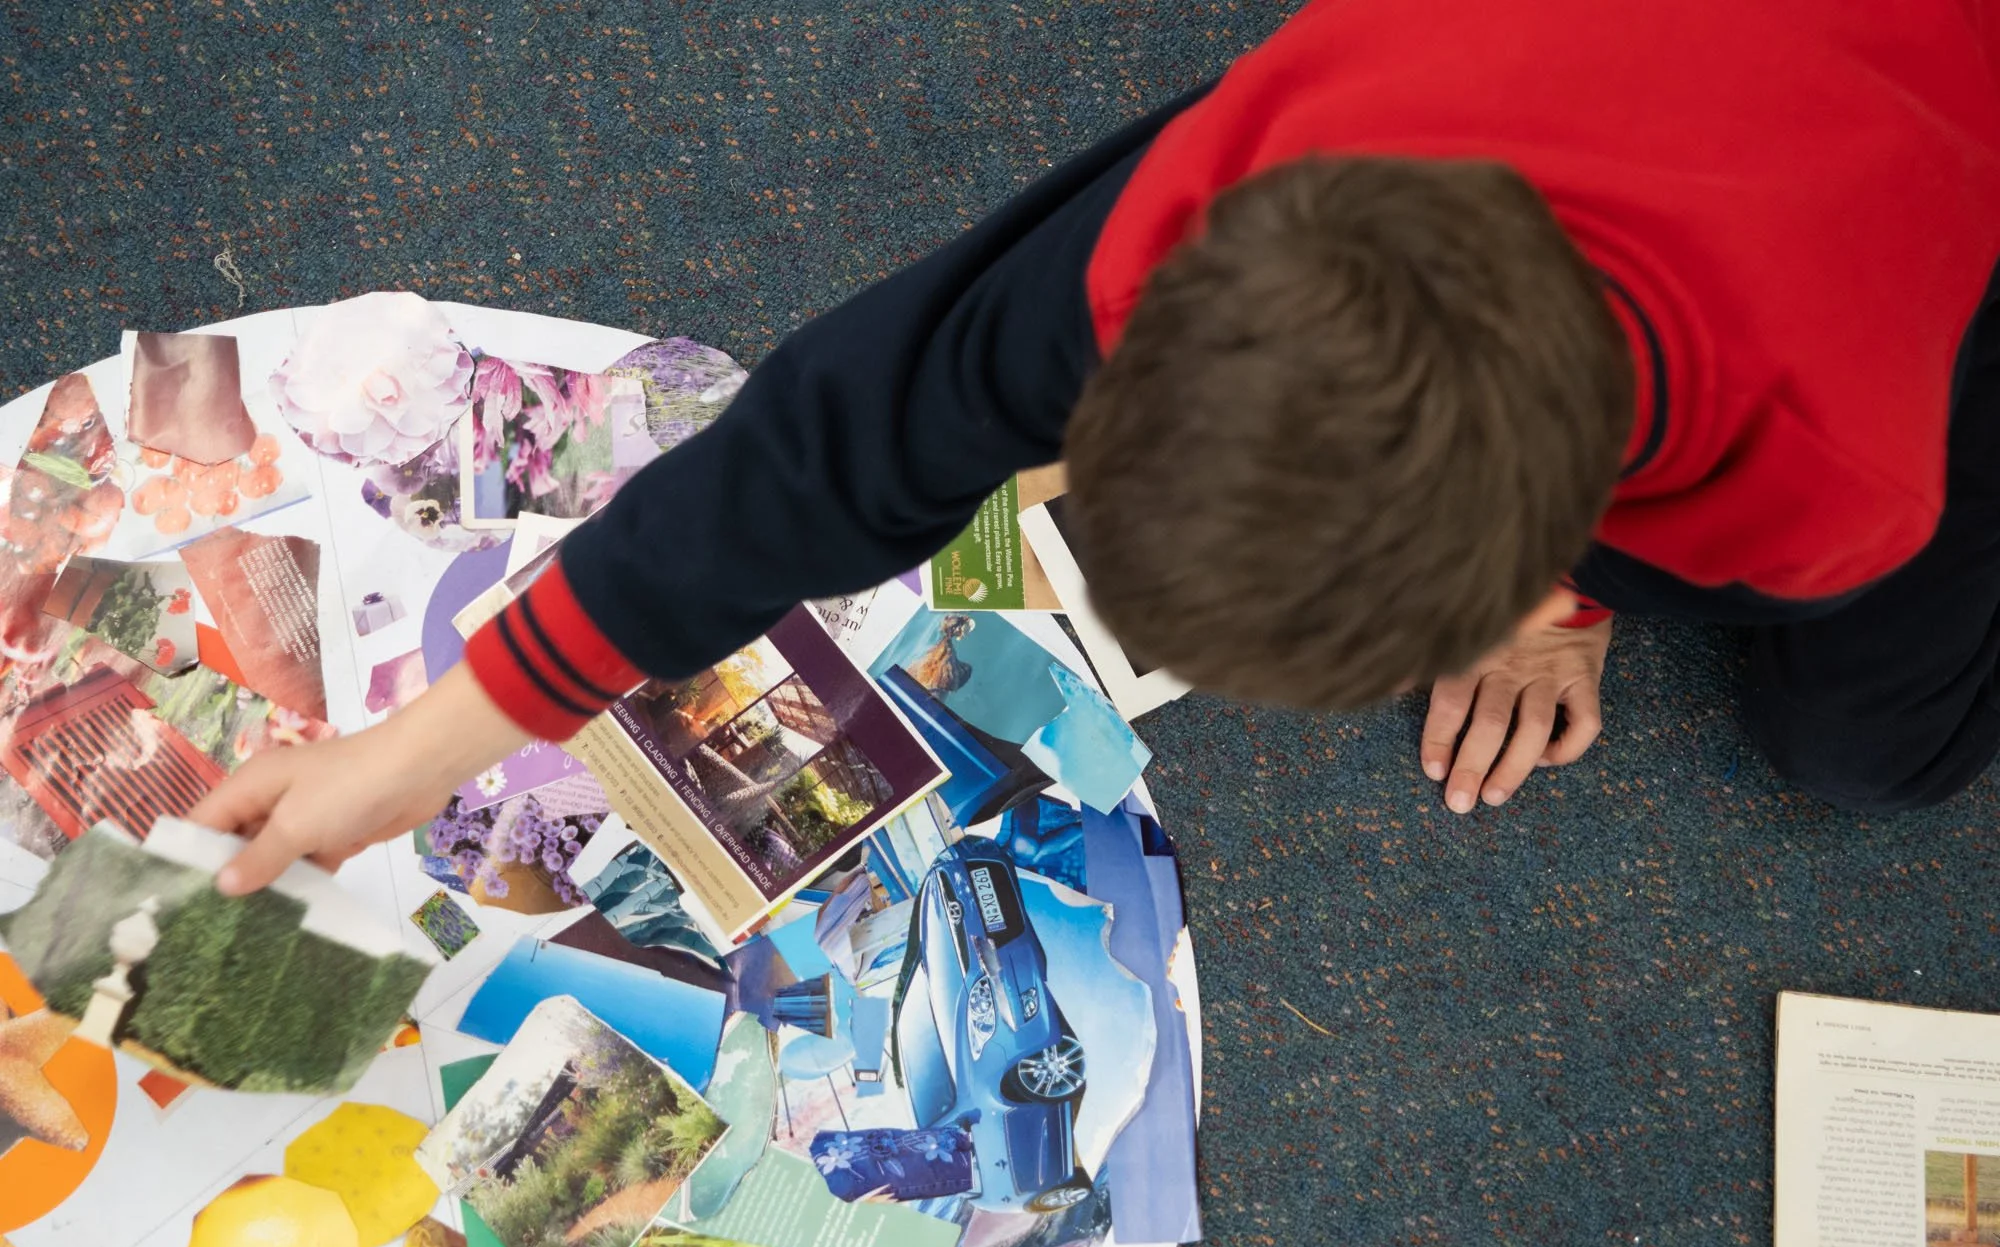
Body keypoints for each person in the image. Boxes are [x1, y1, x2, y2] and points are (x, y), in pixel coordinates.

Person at [191, 0, 2000, 894]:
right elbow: (836, 447)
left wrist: (1555, 616)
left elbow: (1659, 550)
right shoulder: (1223, 187)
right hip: (1611, 80)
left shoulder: (1832, 483)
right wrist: (432, 745)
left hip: (1935, 175)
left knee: (1866, 756)